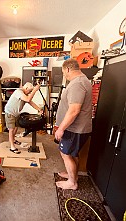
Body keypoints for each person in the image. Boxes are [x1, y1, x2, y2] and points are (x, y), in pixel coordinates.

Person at [54, 58, 92, 190]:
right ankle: (73, 176)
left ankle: (72, 182)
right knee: (72, 153)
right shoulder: (82, 80)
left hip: (75, 128)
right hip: (77, 128)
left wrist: (61, 129)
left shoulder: (77, 84)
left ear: (68, 69)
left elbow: (74, 110)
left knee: (65, 154)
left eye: (64, 72)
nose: (64, 75)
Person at [4, 82, 42, 154]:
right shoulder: (19, 92)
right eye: (30, 91)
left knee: (15, 128)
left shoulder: (25, 95)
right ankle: (12, 147)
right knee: (11, 129)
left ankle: (14, 140)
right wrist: (34, 90)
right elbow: (28, 99)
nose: (30, 92)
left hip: (15, 113)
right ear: (26, 88)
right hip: (10, 112)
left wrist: (39, 109)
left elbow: (30, 102)